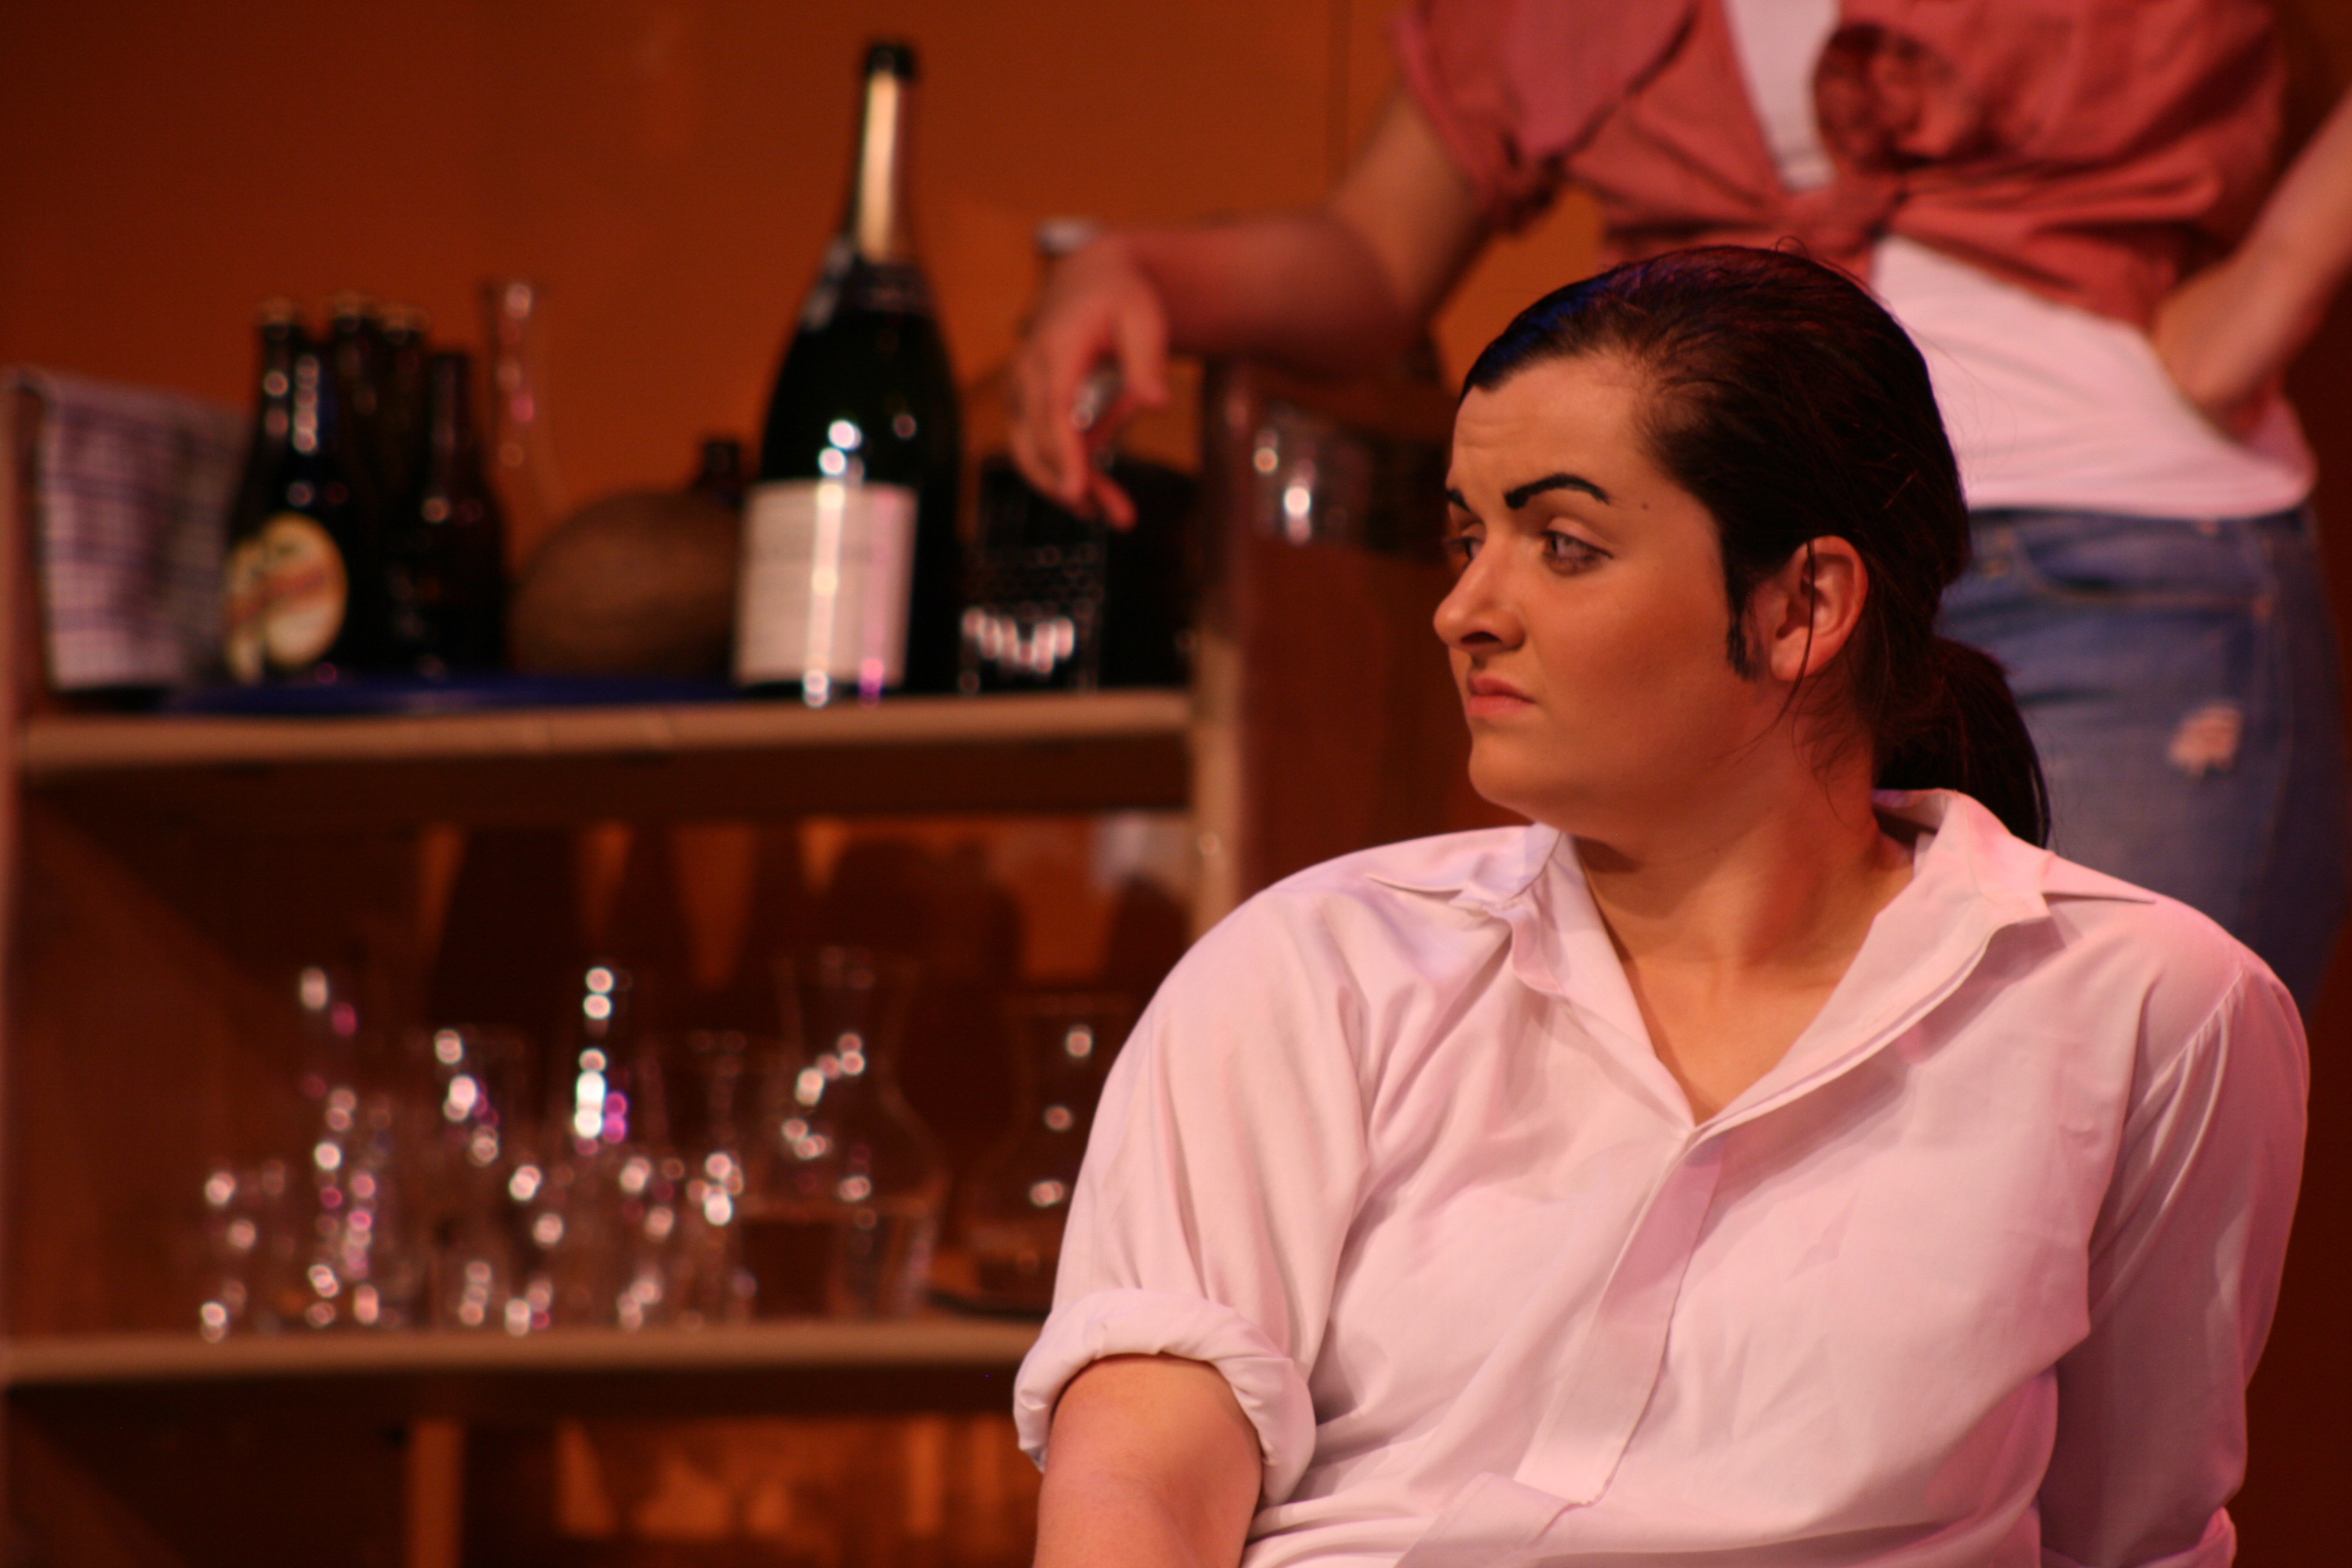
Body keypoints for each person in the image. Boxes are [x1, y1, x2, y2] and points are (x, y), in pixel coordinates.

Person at [1013, 247, 2306, 1568]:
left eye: (1562, 546)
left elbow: (2122, 1536)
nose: (1465, 611)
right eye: (1467, 538)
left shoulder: (2148, 1008)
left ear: (1801, 606)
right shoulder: (1313, 972)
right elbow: (1141, 1482)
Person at [1007, 0, 2352, 1008]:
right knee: (1689, 1159)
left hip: (2108, 559)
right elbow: (1376, 246)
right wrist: (1143, 274)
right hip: (1701, 572)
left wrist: (2274, 283)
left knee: (2077, 1129)